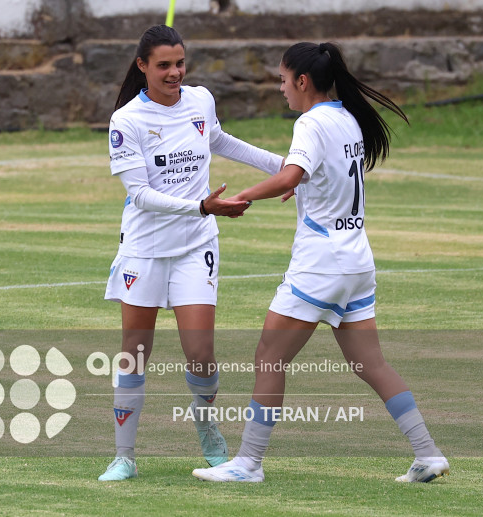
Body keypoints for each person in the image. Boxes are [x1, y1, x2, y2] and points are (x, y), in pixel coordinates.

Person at [192, 42, 449, 483]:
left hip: (321, 264)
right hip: (356, 263)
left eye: (282, 79)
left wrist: (242, 196)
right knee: (371, 364)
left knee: (269, 357)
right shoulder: (346, 117)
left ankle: (248, 464)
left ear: (302, 81)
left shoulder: (311, 122)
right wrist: (296, 182)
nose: (280, 89)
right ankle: (427, 453)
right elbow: (308, 175)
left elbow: (292, 175)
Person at [100, 24, 286, 481]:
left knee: (201, 352)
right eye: (163, 65)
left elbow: (219, 141)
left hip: (195, 246)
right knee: (134, 352)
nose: (174, 73)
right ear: (142, 66)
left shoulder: (201, 100)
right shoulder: (126, 121)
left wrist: (284, 167)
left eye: (180, 63)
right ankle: (124, 456)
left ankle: (207, 430)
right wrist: (201, 205)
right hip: (144, 249)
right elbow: (139, 195)